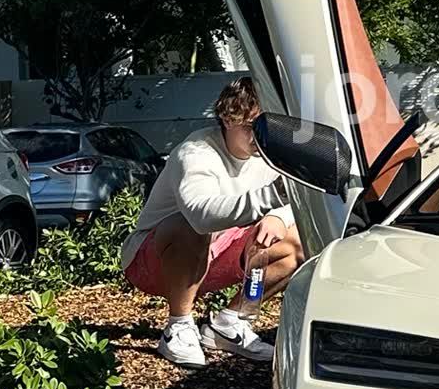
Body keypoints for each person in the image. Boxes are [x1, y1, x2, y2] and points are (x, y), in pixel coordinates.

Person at [120, 76, 304, 367]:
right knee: (185, 225)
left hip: (215, 255)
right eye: (251, 126)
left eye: (268, 126)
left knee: (294, 242)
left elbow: (299, 201)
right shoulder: (195, 152)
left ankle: (230, 324)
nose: (261, 135)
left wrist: (278, 216)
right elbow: (200, 215)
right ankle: (178, 326)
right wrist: (273, 197)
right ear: (228, 118)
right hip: (153, 262)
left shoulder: (271, 155)